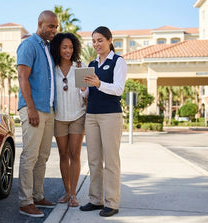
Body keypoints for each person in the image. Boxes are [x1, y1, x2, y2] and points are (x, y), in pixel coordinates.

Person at [79, 26, 127, 217]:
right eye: (93, 41)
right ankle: (95, 199)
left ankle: (112, 203)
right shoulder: (92, 64)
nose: (96, 44)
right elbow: (87, 93)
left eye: (100, 40)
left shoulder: (118, 61)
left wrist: (99, 83)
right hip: (91, 116)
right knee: (94, 160)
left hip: (110, 116)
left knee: (111, 161)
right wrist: (83, 88)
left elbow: (118, 89)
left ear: (109, 40)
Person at [17, 10, 58, 218]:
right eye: (50, 26)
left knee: (43, 156)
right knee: (30, 155)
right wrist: (31, 108)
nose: (54, 30)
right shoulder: (29, 45)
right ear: (40, 24)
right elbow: (23, 77)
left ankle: (37, 195)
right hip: (33, 108)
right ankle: (25, 202)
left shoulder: (48, 49)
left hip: (48, 109)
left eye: (56, 27)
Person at [49, 32, 86, 208]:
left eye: (71, 47)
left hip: (78, 115)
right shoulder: (52, 68)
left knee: (74, 154)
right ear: (57, 48)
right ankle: (66, 191)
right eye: (64, 47)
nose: (68, 50)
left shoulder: (79, 67)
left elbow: (86, 94)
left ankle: (73, 195)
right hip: (58, 117)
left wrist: (85, 88)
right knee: (63, 154)